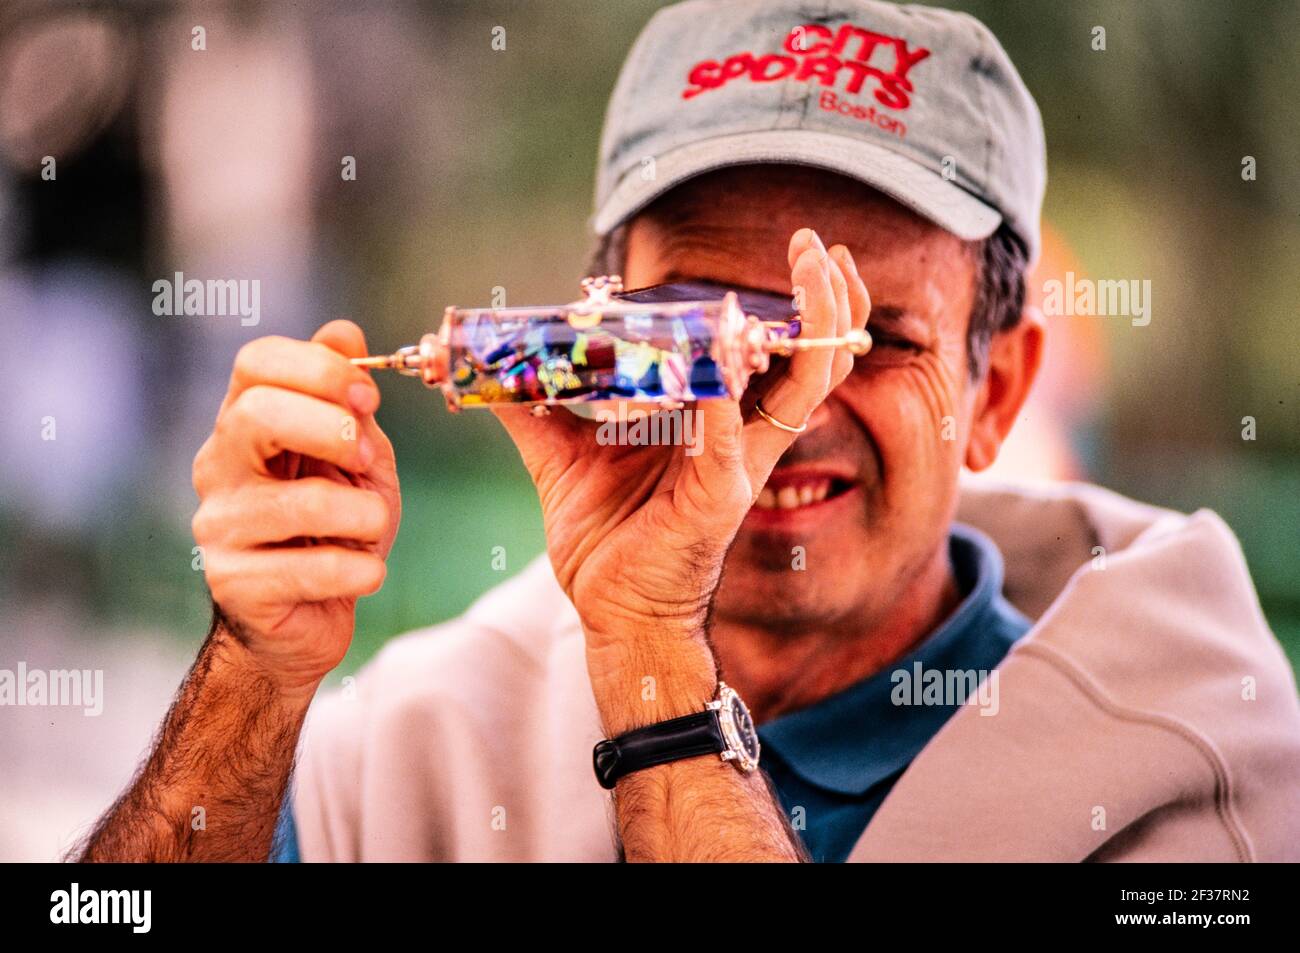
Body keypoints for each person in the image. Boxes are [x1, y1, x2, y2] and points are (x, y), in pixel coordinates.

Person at [77, 0, 1300, 863]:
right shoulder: (421, 740)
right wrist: (253, 672)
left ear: (996, 391)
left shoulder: (1178, 778)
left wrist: (653, 663)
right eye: (705, 332)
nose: (783, 407)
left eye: (866, 339)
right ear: (595, 338)